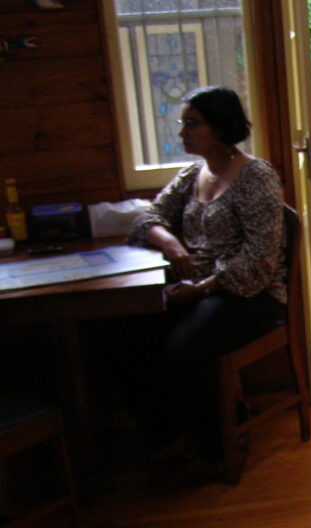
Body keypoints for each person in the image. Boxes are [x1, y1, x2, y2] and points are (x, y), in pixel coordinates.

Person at [118, 85, 287, 466]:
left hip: (250, 295)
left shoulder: (255, 177)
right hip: (201, 288)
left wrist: (202, 288)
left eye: (192, 124)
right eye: (184, 124)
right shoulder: (195, 173)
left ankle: (216, 444)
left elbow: (259, 261)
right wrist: (172, 246)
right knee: (123, 334)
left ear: (220, 127)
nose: (182, 133)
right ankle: (169, 434)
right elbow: (148, 217)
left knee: (181, 348)